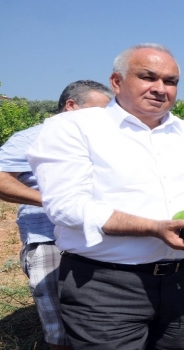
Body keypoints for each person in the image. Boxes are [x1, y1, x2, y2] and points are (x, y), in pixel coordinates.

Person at [25, 43, 184, 349]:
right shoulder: (73, 128)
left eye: (170, 81)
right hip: (105, 286)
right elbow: (66, 206)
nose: (160, 88)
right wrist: (153, 228)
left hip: (183, 282)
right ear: (117, 81)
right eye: (148, 77)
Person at [0, 80, 113, 350]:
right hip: (48, 238)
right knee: (58, 327)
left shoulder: (97, 141)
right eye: (98, 111)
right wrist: (53, 202)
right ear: (71, 106)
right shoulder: (32, 138)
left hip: (94, 239)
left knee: (95, 320)